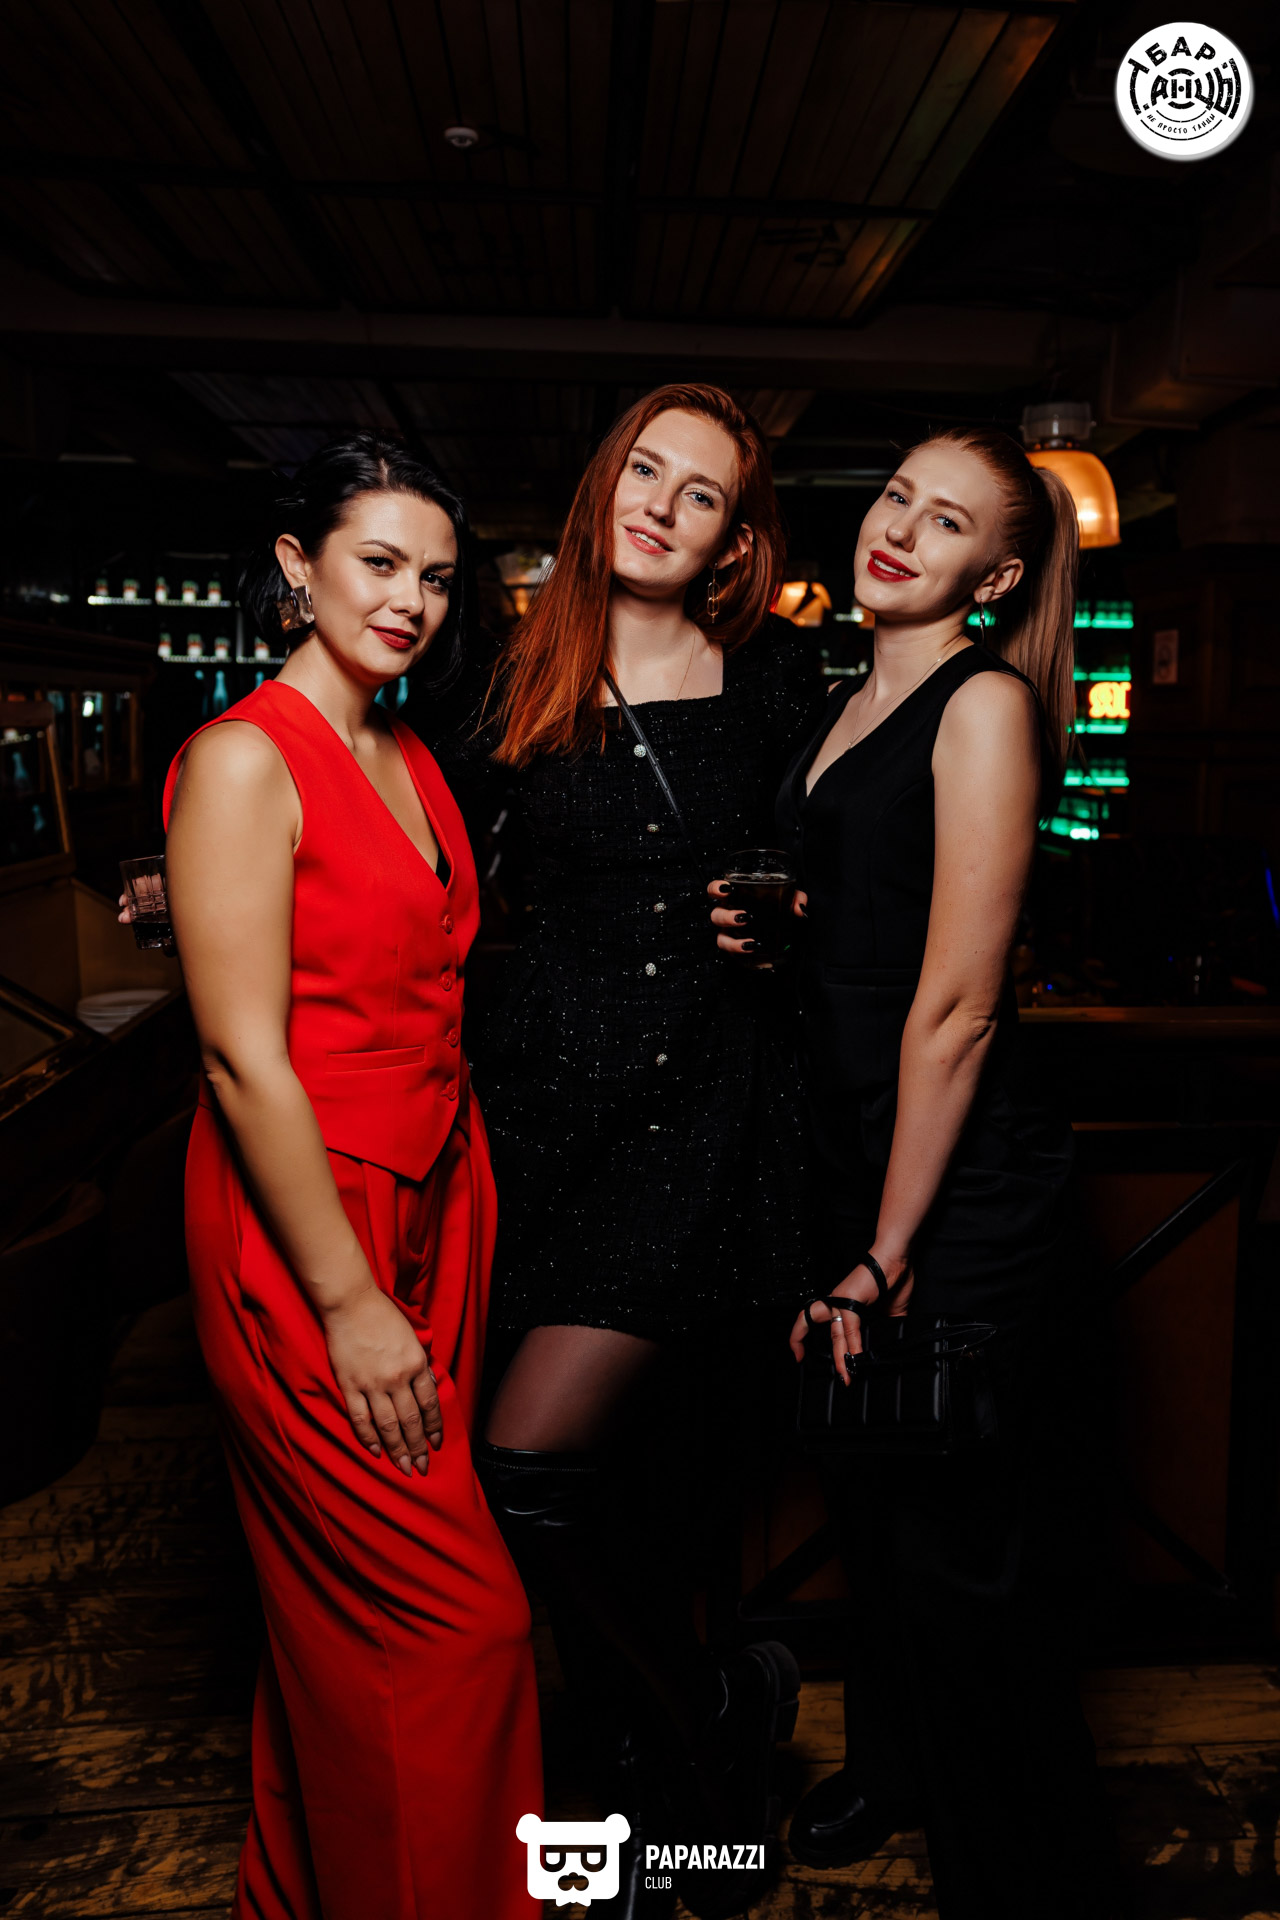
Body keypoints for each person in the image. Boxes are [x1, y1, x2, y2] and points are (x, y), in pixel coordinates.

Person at [713, 428, 1129, 1918]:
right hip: (852, 1160)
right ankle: (899, 1773)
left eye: (946, 522)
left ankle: (1035, 1880)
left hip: (951, 1189)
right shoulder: (846, 699)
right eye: (897, 497)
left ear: (995, 577)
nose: (898, 529)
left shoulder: (986, 703)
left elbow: (957, 1004)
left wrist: (886, 1249)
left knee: (965, 1562)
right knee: (880, 1514)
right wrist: (782, 933)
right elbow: (866, 929)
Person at [157, 436, 542, 1920]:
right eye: (378, 562)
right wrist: (347, 1300)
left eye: (435, 577)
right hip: (311, 1225)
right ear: (295, 565)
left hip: (437, 1195)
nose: (410, 601)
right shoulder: (244, 757)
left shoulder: (408, 750)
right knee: (463, 1628)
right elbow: (241, 1059)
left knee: (342, 1624)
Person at [465, 386, 824, 1920]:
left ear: (735, 539)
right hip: (542, 1115)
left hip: (694, 1117)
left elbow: (835, 866)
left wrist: (789, 910)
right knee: (620, 1507)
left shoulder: (776, 679)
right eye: (645, 471)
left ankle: (704, 1728)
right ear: (604, 477)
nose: (660, 508)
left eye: (701, 494)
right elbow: (413, 848)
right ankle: (677, 1790)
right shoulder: (511, 668)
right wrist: (212, 875)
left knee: (530, 1470)